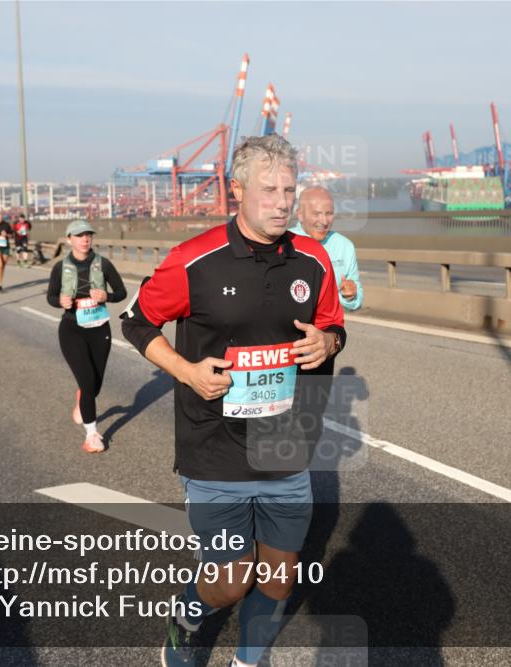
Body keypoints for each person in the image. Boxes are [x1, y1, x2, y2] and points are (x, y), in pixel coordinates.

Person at [121, 134, 345, 667]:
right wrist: (186, 371)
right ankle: (186, 624)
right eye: (268, 189)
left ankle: (247, 660)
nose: (282, 201)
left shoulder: (313, 260)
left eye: (288, 189)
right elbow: (136, 321)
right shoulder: (194, 260)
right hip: (213, 443)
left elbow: (334, 325)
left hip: (286, 444)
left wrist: (328, 341)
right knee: (230, 582)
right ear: (237, 192)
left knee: (279, 575)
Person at [46, 219, 127, 453]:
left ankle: (83, 397)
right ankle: (92, 435)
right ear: (69, 239)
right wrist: (59, 301)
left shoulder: (104, 264)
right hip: (72, 329)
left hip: (99, 328)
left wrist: (106, 297)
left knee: (95, 383)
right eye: (79, 235)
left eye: (88, 235)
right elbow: (51, 296)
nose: (85, 239)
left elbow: (121, 292)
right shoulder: (60, 268)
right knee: (88, 381)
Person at [291, 186, 363, 311]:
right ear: (300, 215)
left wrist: (350, 296)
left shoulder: (345, 246)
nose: (324, 221)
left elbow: (356, 298)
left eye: (329, 213)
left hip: (328, 327)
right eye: (317, 214)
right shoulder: (284, 242)